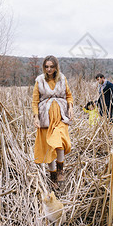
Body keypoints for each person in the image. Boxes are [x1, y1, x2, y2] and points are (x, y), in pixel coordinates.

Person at [32, 55, 73, 187]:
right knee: (49, 147)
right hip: (46, 119)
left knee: (59, 142)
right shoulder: (40, 81)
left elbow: (69, 95)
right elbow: (35, 101)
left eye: (51, 66)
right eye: (46, 67)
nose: (49, 69)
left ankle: (61, 170)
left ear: (56, 67)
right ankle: (53, 177)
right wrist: (36, 117)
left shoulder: (62, 79)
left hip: (61, 117)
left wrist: (70, 108)